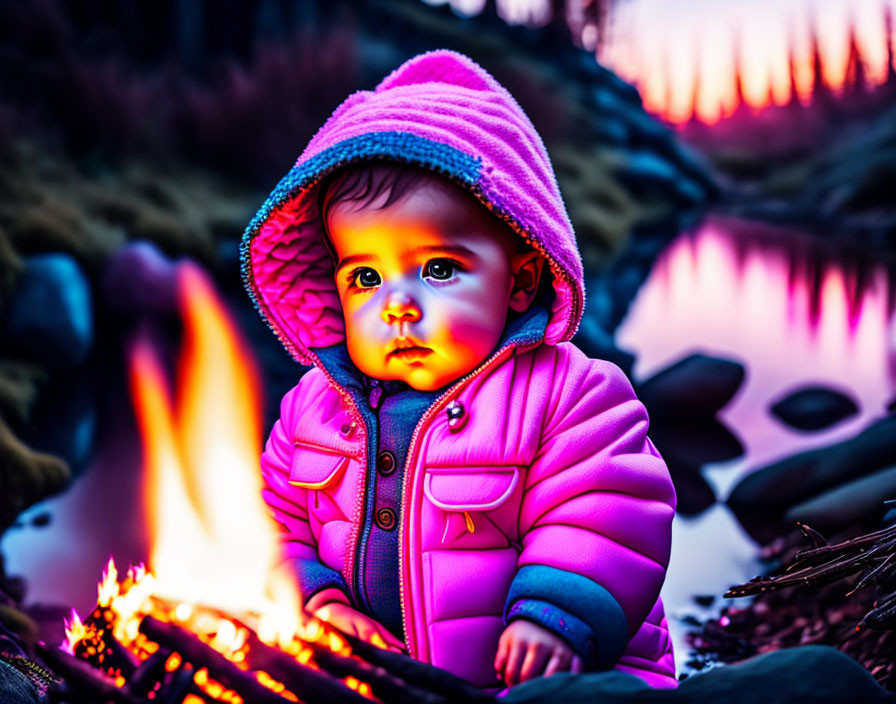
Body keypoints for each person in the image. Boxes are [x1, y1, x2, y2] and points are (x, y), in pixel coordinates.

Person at [241, 49, 677, 690]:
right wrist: (318, 602)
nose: (396, 306)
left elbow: (611, 510)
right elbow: (274, 520)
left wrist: (554, 619)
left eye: (438, 269)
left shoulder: (568, 396)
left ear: (521, 280)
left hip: (549, 675)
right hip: (381, 683)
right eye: (364, 277)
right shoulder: (314, 408)